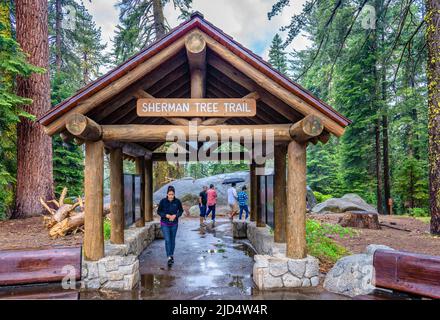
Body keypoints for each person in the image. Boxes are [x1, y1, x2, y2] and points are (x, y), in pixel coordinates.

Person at [157, 186, 183, 267]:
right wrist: (166, 215)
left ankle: (171, 255)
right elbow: (159, 211)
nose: (171, 196)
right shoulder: (163, 201)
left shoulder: (177, 201)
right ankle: (169, 257)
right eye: (169, 194)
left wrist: (176, 215)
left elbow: (181, 211)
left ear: (174, 194)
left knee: (172, 240)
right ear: (167, 194)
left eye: (172, 194)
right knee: (167, 240)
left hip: (174, 224)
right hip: (165, 223)